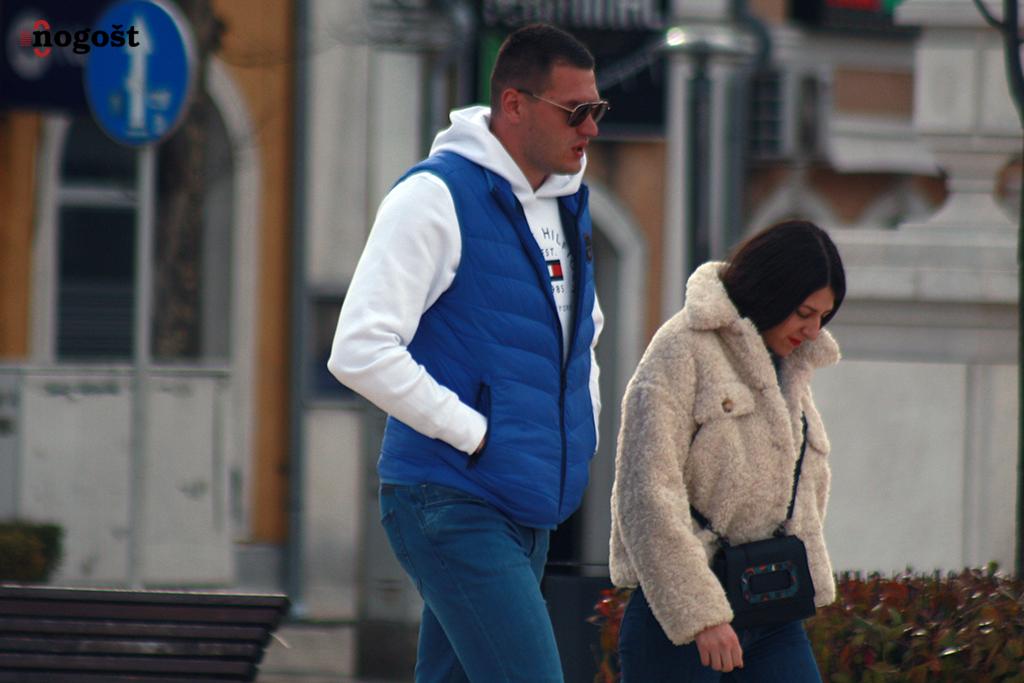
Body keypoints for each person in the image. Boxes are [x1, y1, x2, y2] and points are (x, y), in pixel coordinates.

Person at [327, 23, 607, 683]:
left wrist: (583, 428)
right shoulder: (434, 197)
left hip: (527, 503)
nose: (591, 128)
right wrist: (475, 433)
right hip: (450, 498)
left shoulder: (568, 208)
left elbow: (584, 334)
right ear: (514, 104)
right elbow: (359, 348)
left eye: (597, 109)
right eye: (575, 111)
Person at [609, 220, 846, 682]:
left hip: (772, 607)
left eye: (824, 316)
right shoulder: (682, 348)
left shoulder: (792, 368)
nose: (814, 330)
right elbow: (647, 493)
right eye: (804, 312)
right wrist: (702, 616)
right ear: (773, 291)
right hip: (680, 621)